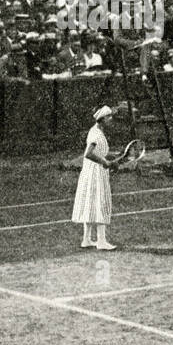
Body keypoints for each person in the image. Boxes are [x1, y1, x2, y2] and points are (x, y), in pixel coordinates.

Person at [71, 106, 122, 250]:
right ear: (103, 119)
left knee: (90, 204)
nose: (111, 119)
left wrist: (111, 158)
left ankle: (86, 240)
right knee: (100, 203)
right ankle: (101, 241)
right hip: (95, 173)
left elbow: (99, 152)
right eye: (109, 117)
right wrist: (105, 162)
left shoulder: (96, 131)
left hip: (92, 172)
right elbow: (88, 153)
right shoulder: (96, 134)